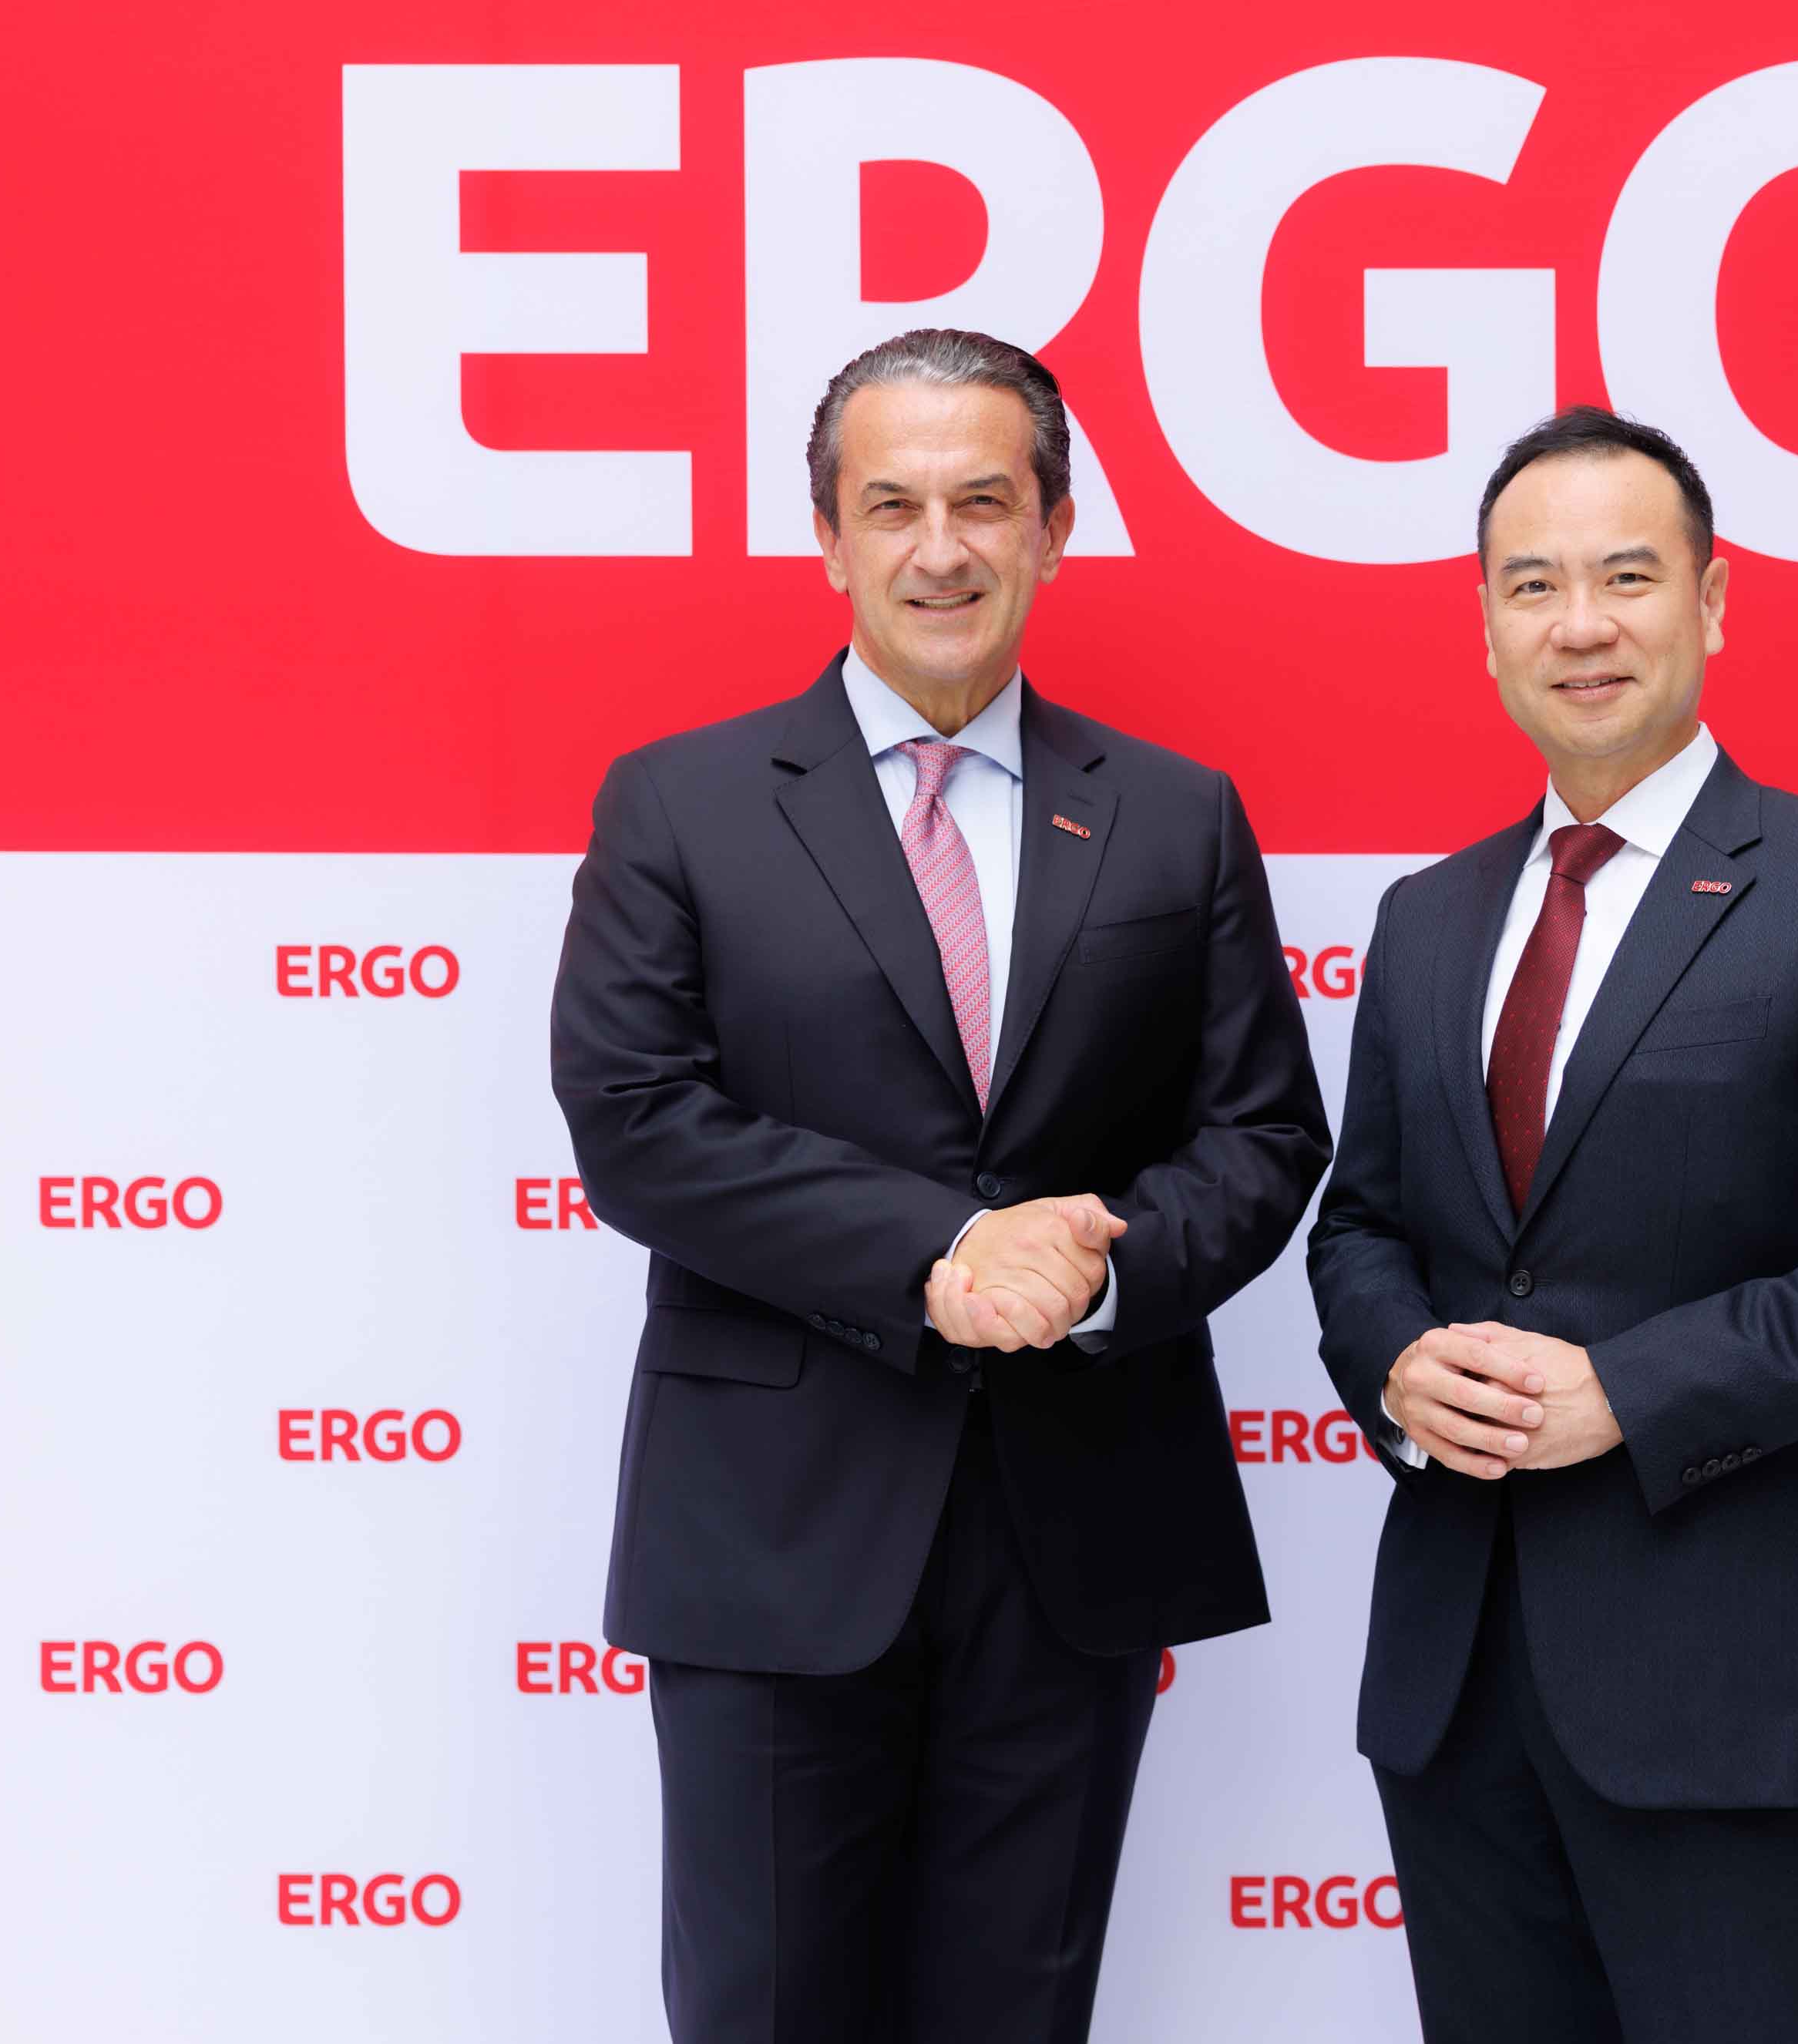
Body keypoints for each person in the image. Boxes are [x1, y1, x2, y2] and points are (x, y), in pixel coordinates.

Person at [551, 327, 1329, 2044]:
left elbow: (1264, 1134)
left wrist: (1098, 1271)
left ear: (1055, 528)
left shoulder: (1176, 816)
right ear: (827, 539)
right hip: (772, 1531)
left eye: (984, 501)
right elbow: (636, 1119)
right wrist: (947, 1250)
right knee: (765, 2011)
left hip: (1076, 1530)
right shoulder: (679, 804)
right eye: (890, 505)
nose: (940, 548)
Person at [1306, 405, 1798, 2041]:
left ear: (1709, 601)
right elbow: (1359, 1225)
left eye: (1626, 577)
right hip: (1453, 1674)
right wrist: (1398, 1364)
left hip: (1720, 1676)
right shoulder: (1425, 919)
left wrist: (1628, 1391)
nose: (1580, 624)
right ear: (1485, 625)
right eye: (1533, 584)